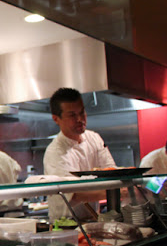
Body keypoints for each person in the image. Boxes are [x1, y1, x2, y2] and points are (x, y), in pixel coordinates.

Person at [43, 88, 116, 221]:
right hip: (65, 223)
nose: (80, 119)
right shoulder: (55, 151)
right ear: (56, 119)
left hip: (92, 220)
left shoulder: (94, 138)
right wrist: (117, 191)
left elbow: (110, 171)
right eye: (72, 115)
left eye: (82, 112)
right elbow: (74, 193)